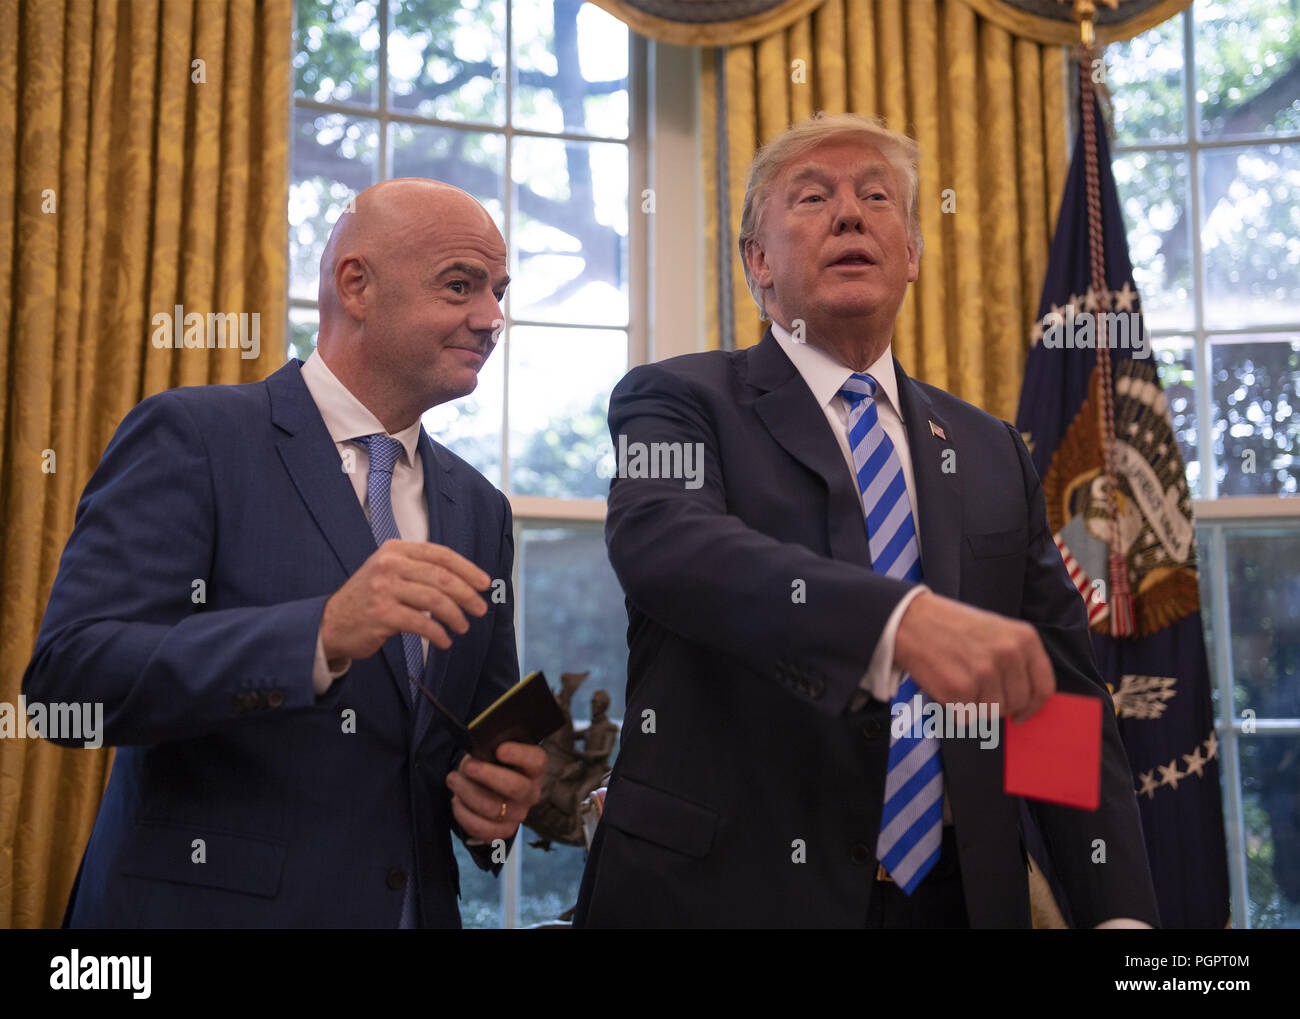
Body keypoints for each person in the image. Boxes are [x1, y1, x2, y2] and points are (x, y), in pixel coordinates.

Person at [574, 114, 1160, 928]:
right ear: (759, 263)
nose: (850, 213)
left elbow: (1051, 698)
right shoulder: (675, 400)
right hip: (732, 895)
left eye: (877, 196)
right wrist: (897, 622)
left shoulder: (990, 450)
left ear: (912, 254)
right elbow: (664, 545)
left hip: (956, 900)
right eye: (812, 197)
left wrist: (1117, 915)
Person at [23, 179, 545, 928]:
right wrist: (319, 634)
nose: (492, 318)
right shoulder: (194, 436)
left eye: (497, 291)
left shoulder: (482, 508)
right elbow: (69, 682)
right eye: (460, 286)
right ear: (356, 285)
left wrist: (495, 807)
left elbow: (460, 751)